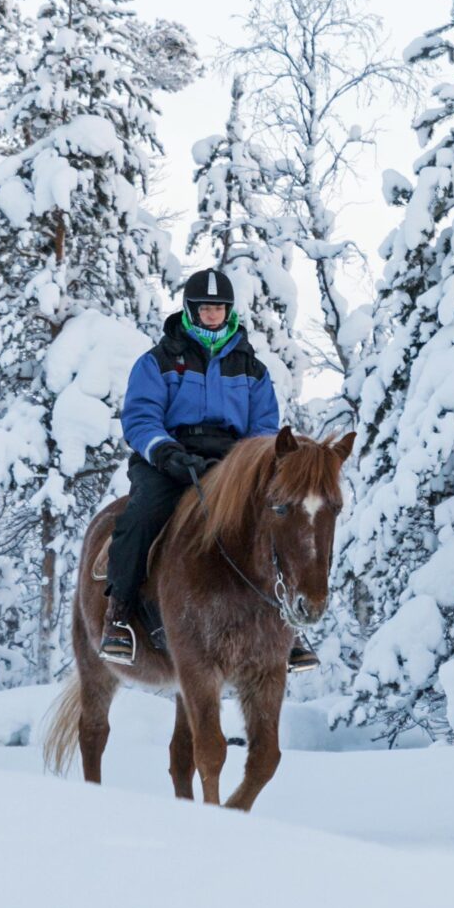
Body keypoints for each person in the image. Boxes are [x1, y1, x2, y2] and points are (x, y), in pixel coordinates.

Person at [105, 267, 315, 673]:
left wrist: (244, 465)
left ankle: (285, 624)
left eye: (219, 308)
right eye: (205, 308)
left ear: (229, 310)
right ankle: (119, 615)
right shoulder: (159, 360)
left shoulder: (251, 368)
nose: (213, 315)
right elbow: (140, 417)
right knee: (143, 514)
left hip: (232, 463)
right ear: (190, 310)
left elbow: (264, 427)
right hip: (168, 458)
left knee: (276, 520)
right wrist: (167, 452)